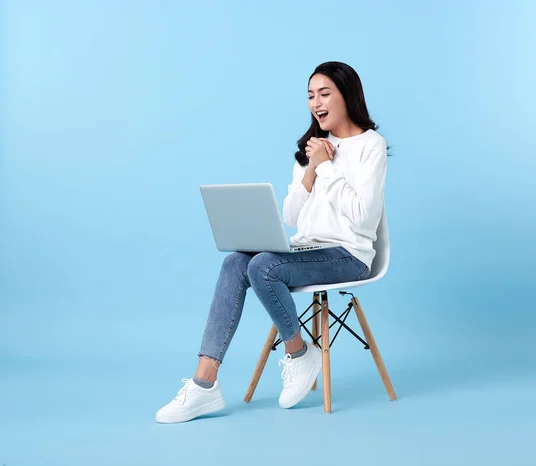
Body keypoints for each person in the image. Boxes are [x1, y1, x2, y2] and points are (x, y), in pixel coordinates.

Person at [156, 61, 389, 423]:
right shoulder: (313, 148)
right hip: (308, 247)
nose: (316, 103)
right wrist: (312, 167)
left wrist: (327, 167)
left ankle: (299, 353)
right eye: (311, 96)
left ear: (348, 95)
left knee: (263, 267)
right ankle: (204, 386)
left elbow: (363, 217)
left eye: (325, 94)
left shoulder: (370, 145)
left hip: (349, 254)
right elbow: (292, 216)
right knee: (235, 262)